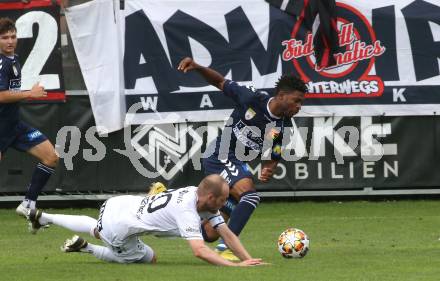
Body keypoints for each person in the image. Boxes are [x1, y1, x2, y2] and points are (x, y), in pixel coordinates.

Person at [178, 57, 307, 260]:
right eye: (296, 100)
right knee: (250, 195)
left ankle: (164, 200)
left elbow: (274, 155)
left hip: (236, 163)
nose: (299, 106)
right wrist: (197, 67)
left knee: (209, 233)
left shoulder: (283, 126)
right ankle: (227, 249)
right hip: (219, 155)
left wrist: (269, 168)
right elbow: (220, 82)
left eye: (301, 103)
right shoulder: (251, 99)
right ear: (282, 96)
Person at [26, 175, 265, 266]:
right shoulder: (188, 209)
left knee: (96, 228)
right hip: (119, 227)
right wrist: (234, 267)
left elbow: (226, 233)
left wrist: (249, 259)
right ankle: (87, 248)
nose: (226, 204)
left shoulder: (199, 195)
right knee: (150, 258)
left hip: (118, 204)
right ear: (211, 197)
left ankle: (44, 216)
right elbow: (200, 251)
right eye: (224, 199)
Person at [0, 18, 59, 217]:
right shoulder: (1, 63)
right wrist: (29, 93)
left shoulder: (13, 59)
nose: (10, 41)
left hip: (14, 125)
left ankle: (28, 204)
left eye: (13, 36)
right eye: (4, 37)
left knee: (50, 157)